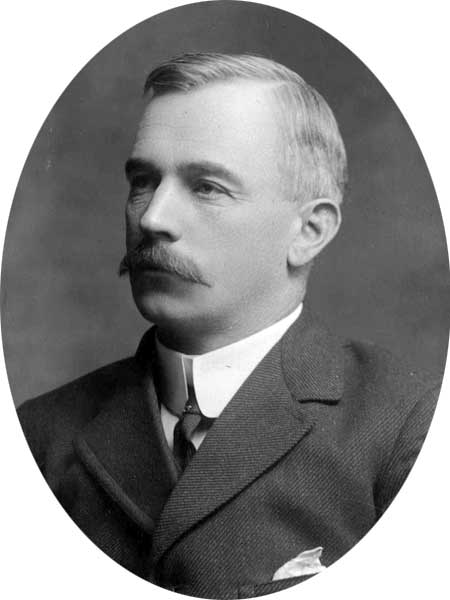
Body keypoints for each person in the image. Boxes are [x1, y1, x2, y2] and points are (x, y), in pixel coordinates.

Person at [18, 53, 440, 599]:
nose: (152, 218)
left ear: (309, 231)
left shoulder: (407, 429)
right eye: (143, 181)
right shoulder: (39, 436)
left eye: (207, 187)